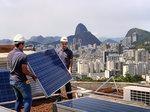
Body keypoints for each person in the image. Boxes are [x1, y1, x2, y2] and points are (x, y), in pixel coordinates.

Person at [7, 34, 37, 112]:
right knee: (28, 99)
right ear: (20, 44)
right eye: (23, 44)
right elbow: (24, 71)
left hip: (12, 81)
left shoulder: (9, 54)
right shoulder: (23, 56)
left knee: (19, 99)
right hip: (20, 81)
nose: (24, 46)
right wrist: (32, 75)